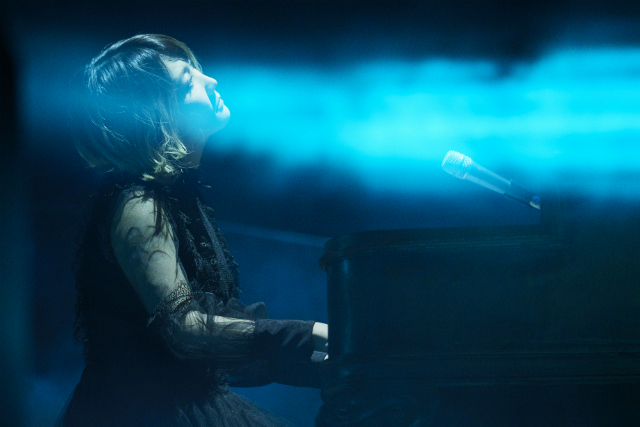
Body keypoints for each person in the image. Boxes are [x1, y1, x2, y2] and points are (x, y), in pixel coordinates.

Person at [57, 34, 329, 427]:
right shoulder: (139, 204)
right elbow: (185, 332)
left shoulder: (178, 199)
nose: (211, 81)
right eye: (188, 83)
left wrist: (326, 360)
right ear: (157, 115)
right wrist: (309, 335)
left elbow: (223, 354)